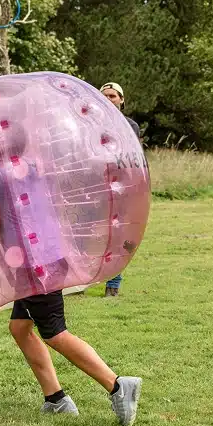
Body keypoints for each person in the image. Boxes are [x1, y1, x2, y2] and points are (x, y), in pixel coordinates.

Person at [0, 155, 142, 426]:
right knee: (20, 327)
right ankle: (56, 399)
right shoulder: (33, 164)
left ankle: (117, 385)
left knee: (54, 332)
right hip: (51, 254)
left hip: (29, 262)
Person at [99, 82, 141, 297]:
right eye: (104, 95)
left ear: (121, 100)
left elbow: (131, 158)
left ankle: (113, 285)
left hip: (122, 188)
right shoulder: (87, 125)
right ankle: (77, 283)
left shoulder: (130, 126)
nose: (108, 99)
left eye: (113, 96)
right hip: (96, 187)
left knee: (118, 236)